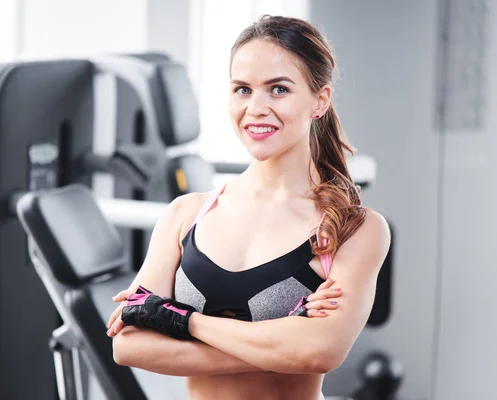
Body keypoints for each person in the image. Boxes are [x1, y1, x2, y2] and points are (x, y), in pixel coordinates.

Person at [106, 15, 390, 400]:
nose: (256, 107)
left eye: (278, 89)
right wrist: (283, 344)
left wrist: (180, 320)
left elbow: (320, 351)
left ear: (319, 100)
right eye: (243, 89)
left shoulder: (354, 229)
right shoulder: (185, 215)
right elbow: (129, 346)